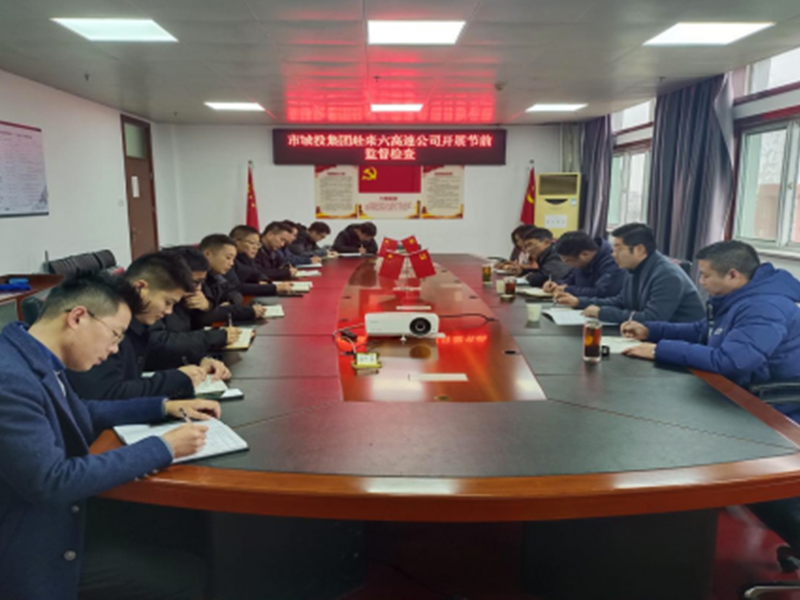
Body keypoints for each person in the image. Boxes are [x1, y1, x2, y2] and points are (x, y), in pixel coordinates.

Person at [0, 272, 220, 600]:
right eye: (115, 335)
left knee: (182, 529)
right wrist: (163, 447)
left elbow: (82, 412)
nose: (115, 349)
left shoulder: (32, 352)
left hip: (57, 514)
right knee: (185, 572)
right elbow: (52, 482)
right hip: (29, 547)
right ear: (78, 317)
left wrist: (163, 407)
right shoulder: (9, 378)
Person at [620, 241, 800, 407]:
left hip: (769, 405)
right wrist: (650, 331)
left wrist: (659, 350)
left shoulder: (765, 308)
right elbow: (702, 330)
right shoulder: (739, 298)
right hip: (736, 389)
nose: (701, 281)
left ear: (732, 275)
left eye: (706, 275)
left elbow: (731, 362)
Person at [68, 252, 229, 400]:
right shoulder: (104, 322)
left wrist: (199, 361)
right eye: (167, 302)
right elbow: (108, 394)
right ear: (140, 288)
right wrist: (176, 382)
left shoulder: (137, 321)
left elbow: (151, 354)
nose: (168, 311)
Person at [554, 223, 705, 324]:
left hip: (677, 341)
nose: (613, 254)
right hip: (648, 334)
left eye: (618, 249)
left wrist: (602, 313)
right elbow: (621, 301)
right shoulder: (633, 268)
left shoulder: (667, 275)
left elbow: (653, 318)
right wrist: (580, 302)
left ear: (639, 249)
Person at [148, 246, 240, 368]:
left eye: (201, 282)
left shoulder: (188, 293)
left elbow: (197, 324)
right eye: (195, 282)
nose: (199, 288)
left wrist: (206, 306)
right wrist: (216, 337)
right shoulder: (150, 301)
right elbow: (159, 343)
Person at [196, 234, 269, 326]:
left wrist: (230, 302)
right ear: (207, 254)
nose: (231, 263)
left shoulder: (215, 276)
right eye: (228, 258)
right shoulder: (195, 280)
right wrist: (249, 312)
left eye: (233, 259)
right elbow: (204, 316)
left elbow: (235, 292)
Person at [542, 230, 626, 298]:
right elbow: (570, 280)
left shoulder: (613, 262)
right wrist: (556, 284)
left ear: (585, 254)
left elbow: (603, 292)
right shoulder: (581, 262)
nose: (566, 264)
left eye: (568, 260)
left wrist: (568, 290)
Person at [229, 225, 293, 297]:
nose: (255, 247)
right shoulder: (229, 261)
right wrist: (274, 288)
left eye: (257, 244)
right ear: (236, 241)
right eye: (252, 243)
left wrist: (263, 280)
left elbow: (257, 273)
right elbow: (237, 287)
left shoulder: (246, 258)